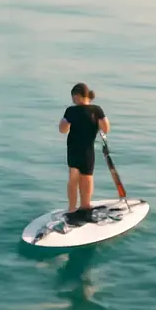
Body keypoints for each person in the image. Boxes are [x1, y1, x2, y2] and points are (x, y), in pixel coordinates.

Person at [59, 82, 110, 213]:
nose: (73, 100)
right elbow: (106, 128)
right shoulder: (96, 110)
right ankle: (85, 206)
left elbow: (62, 129)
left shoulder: (71, 111)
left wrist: (69, 123)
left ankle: (71, 208)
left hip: (73, 148)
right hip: (87, 149)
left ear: (77, 95)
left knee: (73, 178)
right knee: (87, 177)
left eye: (73, 97)